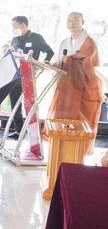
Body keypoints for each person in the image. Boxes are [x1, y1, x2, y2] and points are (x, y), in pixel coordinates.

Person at [46, 12, 103, 154]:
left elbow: (87, 63)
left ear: (82, 22)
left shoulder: (89, 42)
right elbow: (61, 63)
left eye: (75, 20)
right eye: (69, 20)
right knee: (63, 120)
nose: (71, 23)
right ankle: (62, 152)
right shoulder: (65, 42)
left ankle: (78, 154)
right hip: (67, 90)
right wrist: (50, 65)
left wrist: (70, 60)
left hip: (84, 90)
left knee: (80, 123)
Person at [8, 16, 55, 137]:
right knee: (15, 105)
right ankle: (18, 130)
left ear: (22, 25)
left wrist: (42, 64)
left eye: (14, 26)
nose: (13, 29)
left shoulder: (36, 38)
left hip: (29, 76)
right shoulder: (15, 39)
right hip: (15, 75)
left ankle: (33, 131)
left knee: (29, 103)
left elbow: (49, 52)